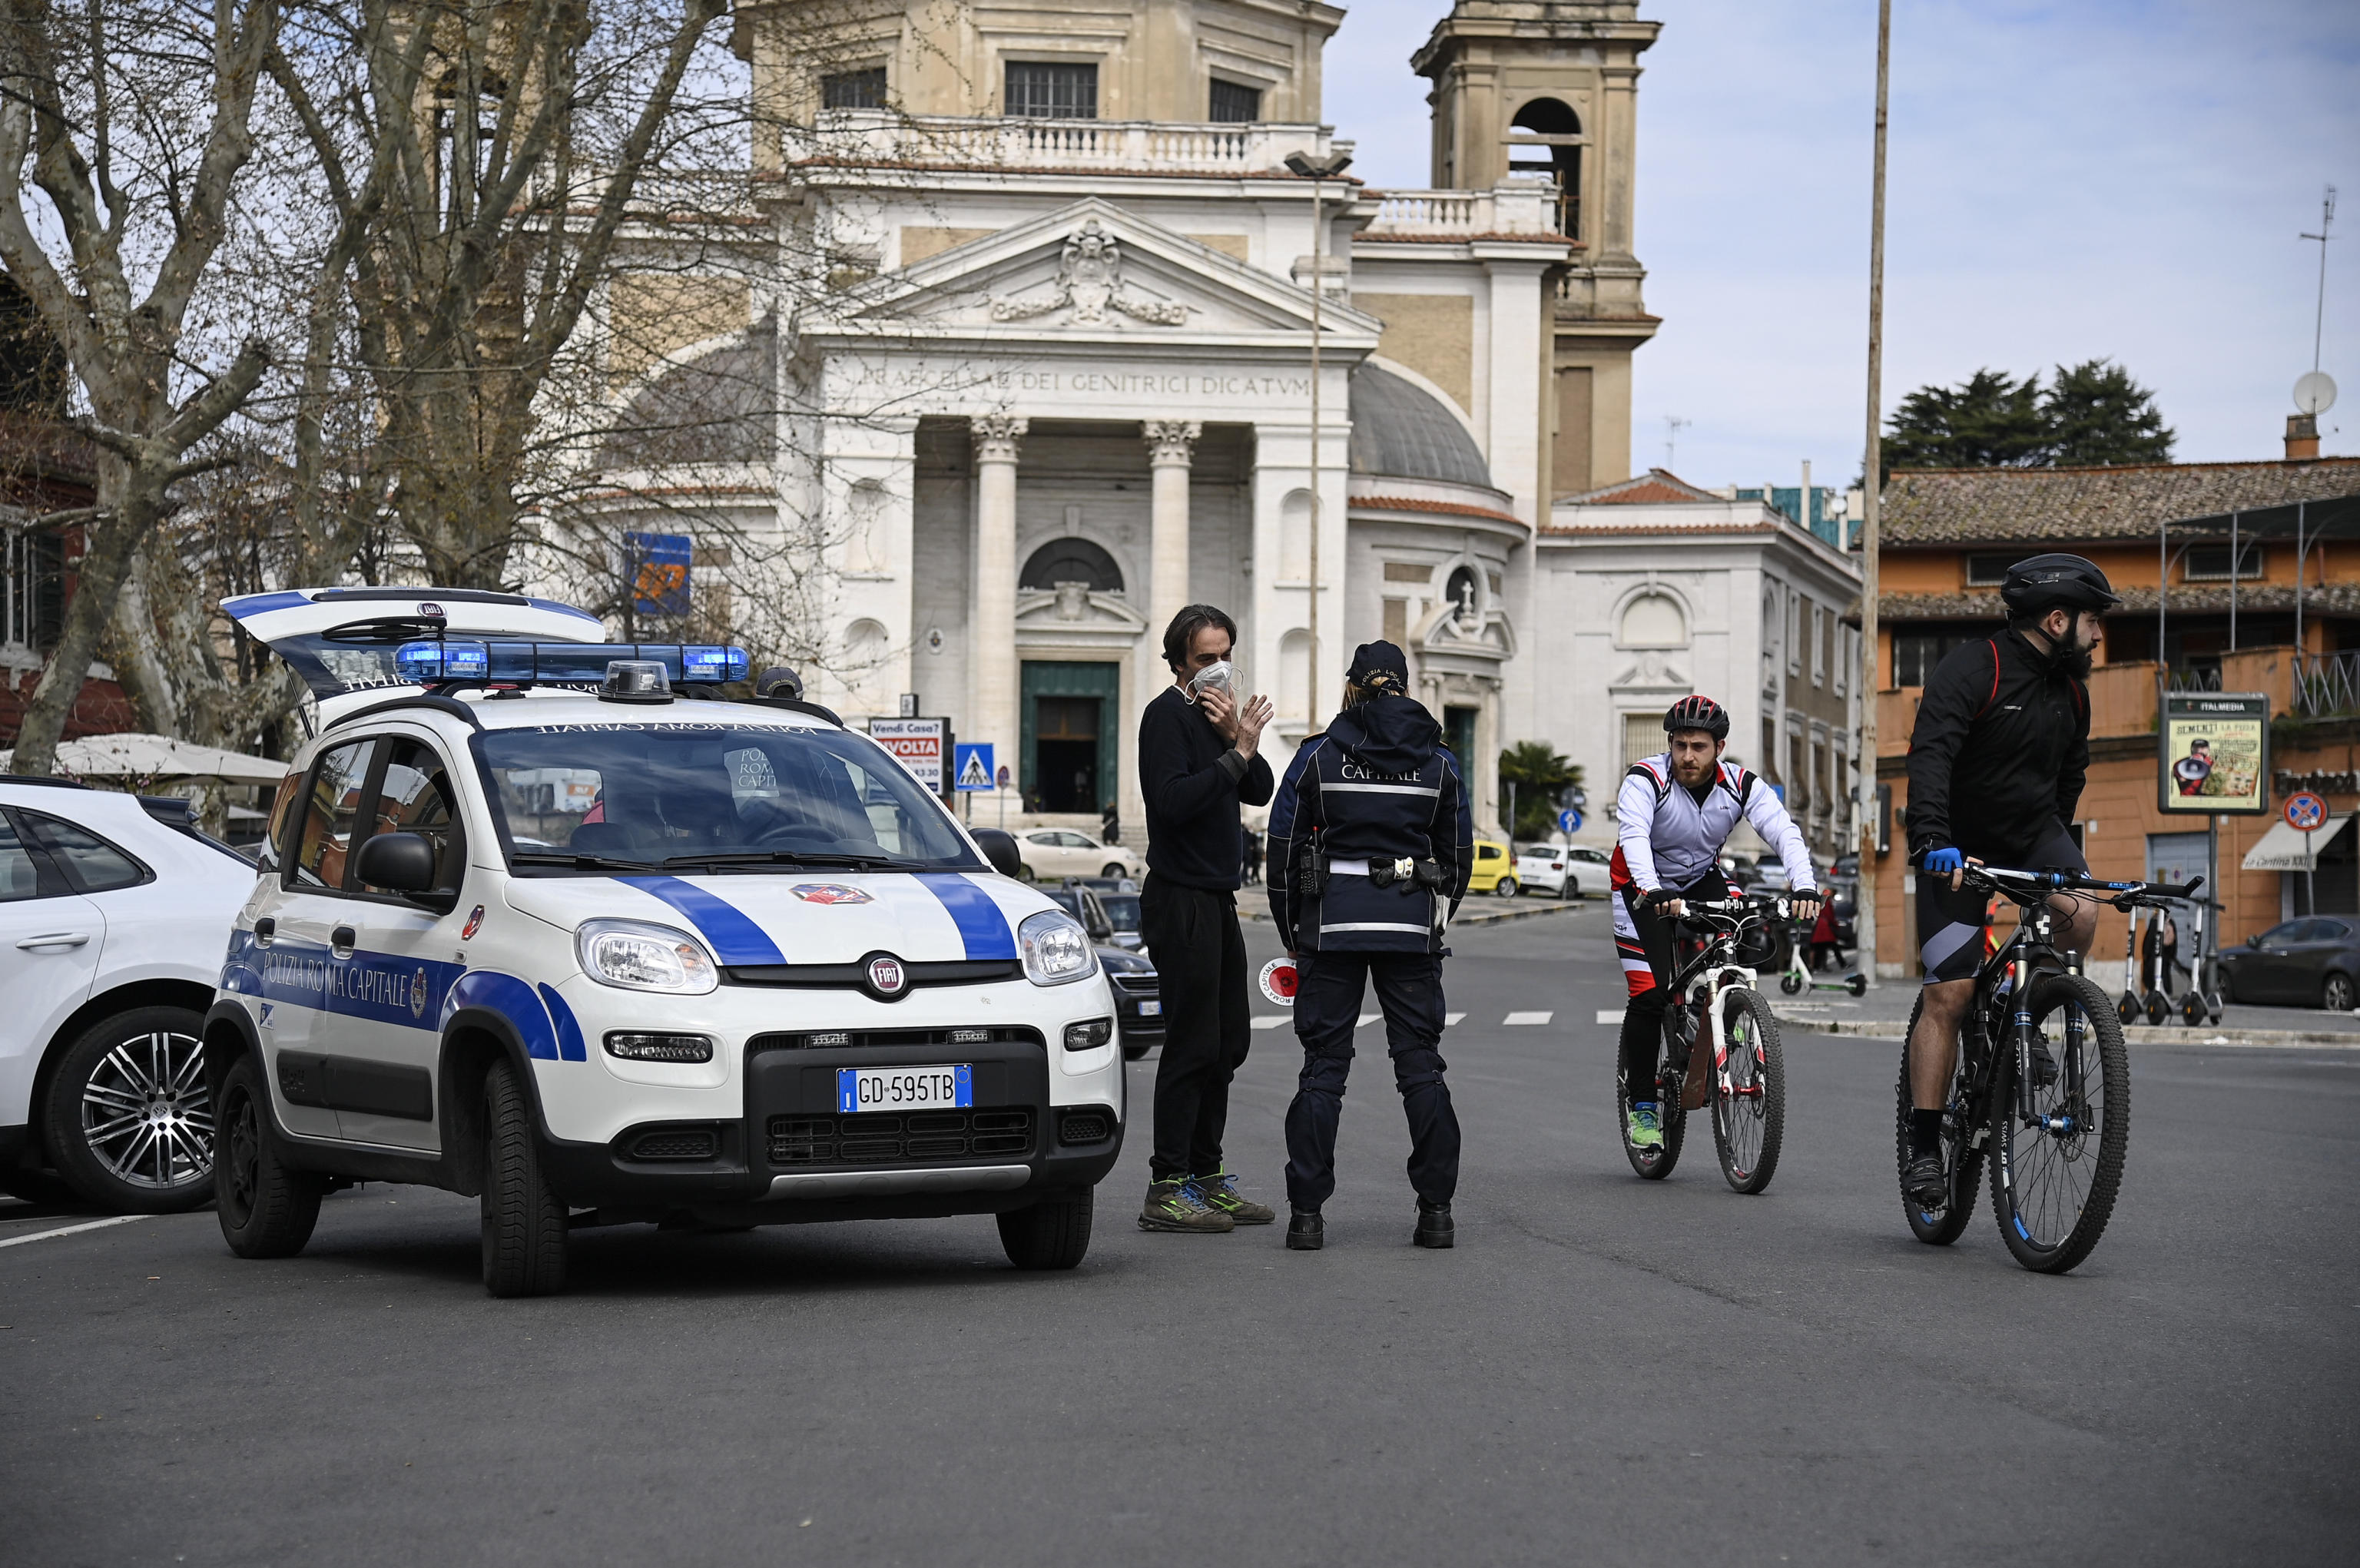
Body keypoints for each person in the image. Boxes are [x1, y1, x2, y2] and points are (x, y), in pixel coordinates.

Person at [1901, 552, 2116, 1208]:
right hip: (1956, 844)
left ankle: (2033, 1003)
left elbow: (2071, 773)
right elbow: (1931, 753)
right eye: (2093, 620)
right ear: (2057, 619)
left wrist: (2055, 846)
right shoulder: (1975, 669)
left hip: (2030, 830)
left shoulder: (2072, 692)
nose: (2099, 634)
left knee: (2081, 910)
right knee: (1951, 994)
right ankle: (1925, 1146)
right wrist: (1933, 839)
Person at [1265, 641, 1473, 1250]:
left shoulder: (1318, 757)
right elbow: (1455, 857)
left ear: (1352, 688)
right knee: (1421, 1069)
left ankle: (1307, 1216)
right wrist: (1434, 919)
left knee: (1323, 1071)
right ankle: (1436, 1211)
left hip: (1331, 930)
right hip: (1409, 932)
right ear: (1405, 687)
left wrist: (1293, 933)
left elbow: (1282, 852)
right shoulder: (1438, 763)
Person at [1611, 695, 1820, 1152]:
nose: (1687, 755)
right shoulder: (1646, 778)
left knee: (1747, 930)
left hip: (1701, 877)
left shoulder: (1741, 785)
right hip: (1639, 887)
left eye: (1698, 746)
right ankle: (1643, 1104)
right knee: (1649, 995)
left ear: (1719, 747)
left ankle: (1728, 1010)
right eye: (1680, 744)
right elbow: (1634, 836)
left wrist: (1804, 886)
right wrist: (1652, 888)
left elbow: (1783, 830)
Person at [1135, 603, 1278, 1234]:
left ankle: (1206, 1174)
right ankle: (1166, 1185)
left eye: (1226, 655)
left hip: (1218, 898)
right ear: (1177, 663)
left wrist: (1235, 743)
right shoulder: (1165, 717)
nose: (1218, 670)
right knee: (1192, 1043)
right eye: (1204, 659)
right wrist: (1233, 753)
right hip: (1180, 897)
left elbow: (1261, 788)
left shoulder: (1218, 722)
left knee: (1228, 1042)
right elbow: (1171, 803)